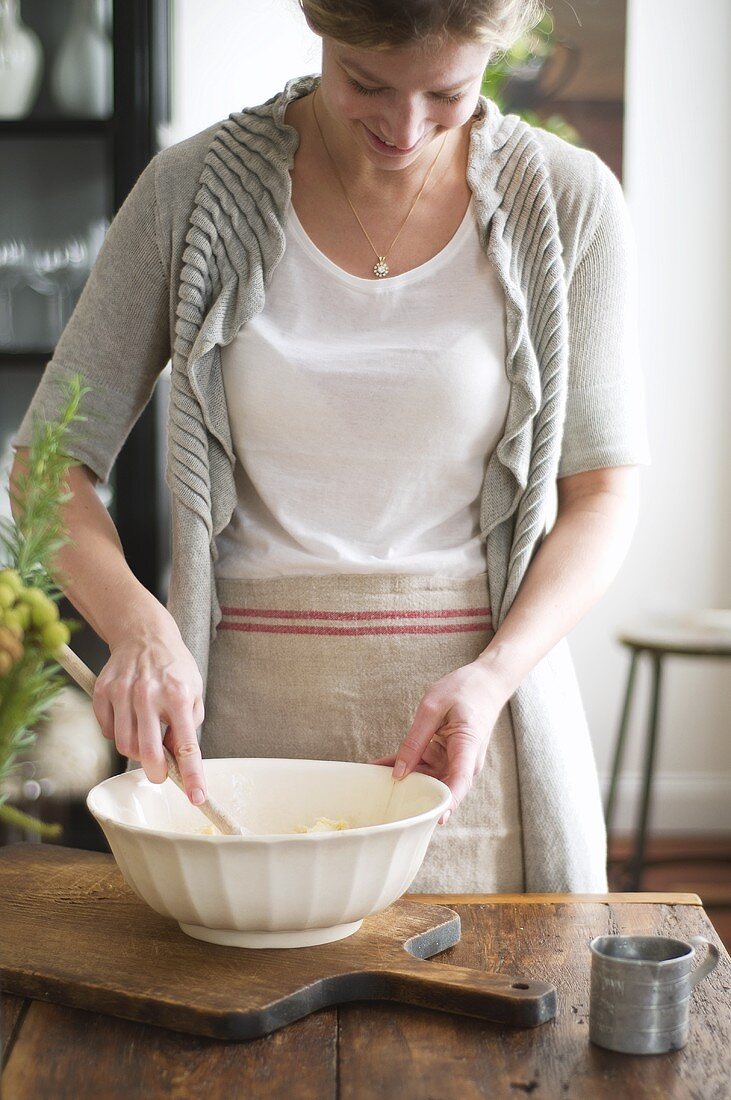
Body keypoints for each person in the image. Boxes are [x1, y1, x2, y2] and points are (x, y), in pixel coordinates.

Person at [10, 0, 649, 893]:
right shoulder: (190, 192)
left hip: (475, 739)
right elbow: (47, 462)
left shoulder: (567, 203)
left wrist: (494, 677)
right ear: (318, 27)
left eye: (447, 93)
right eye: (366, 82)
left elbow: (603, 495)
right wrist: (139, 627)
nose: (403, 125)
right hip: (239, 735)